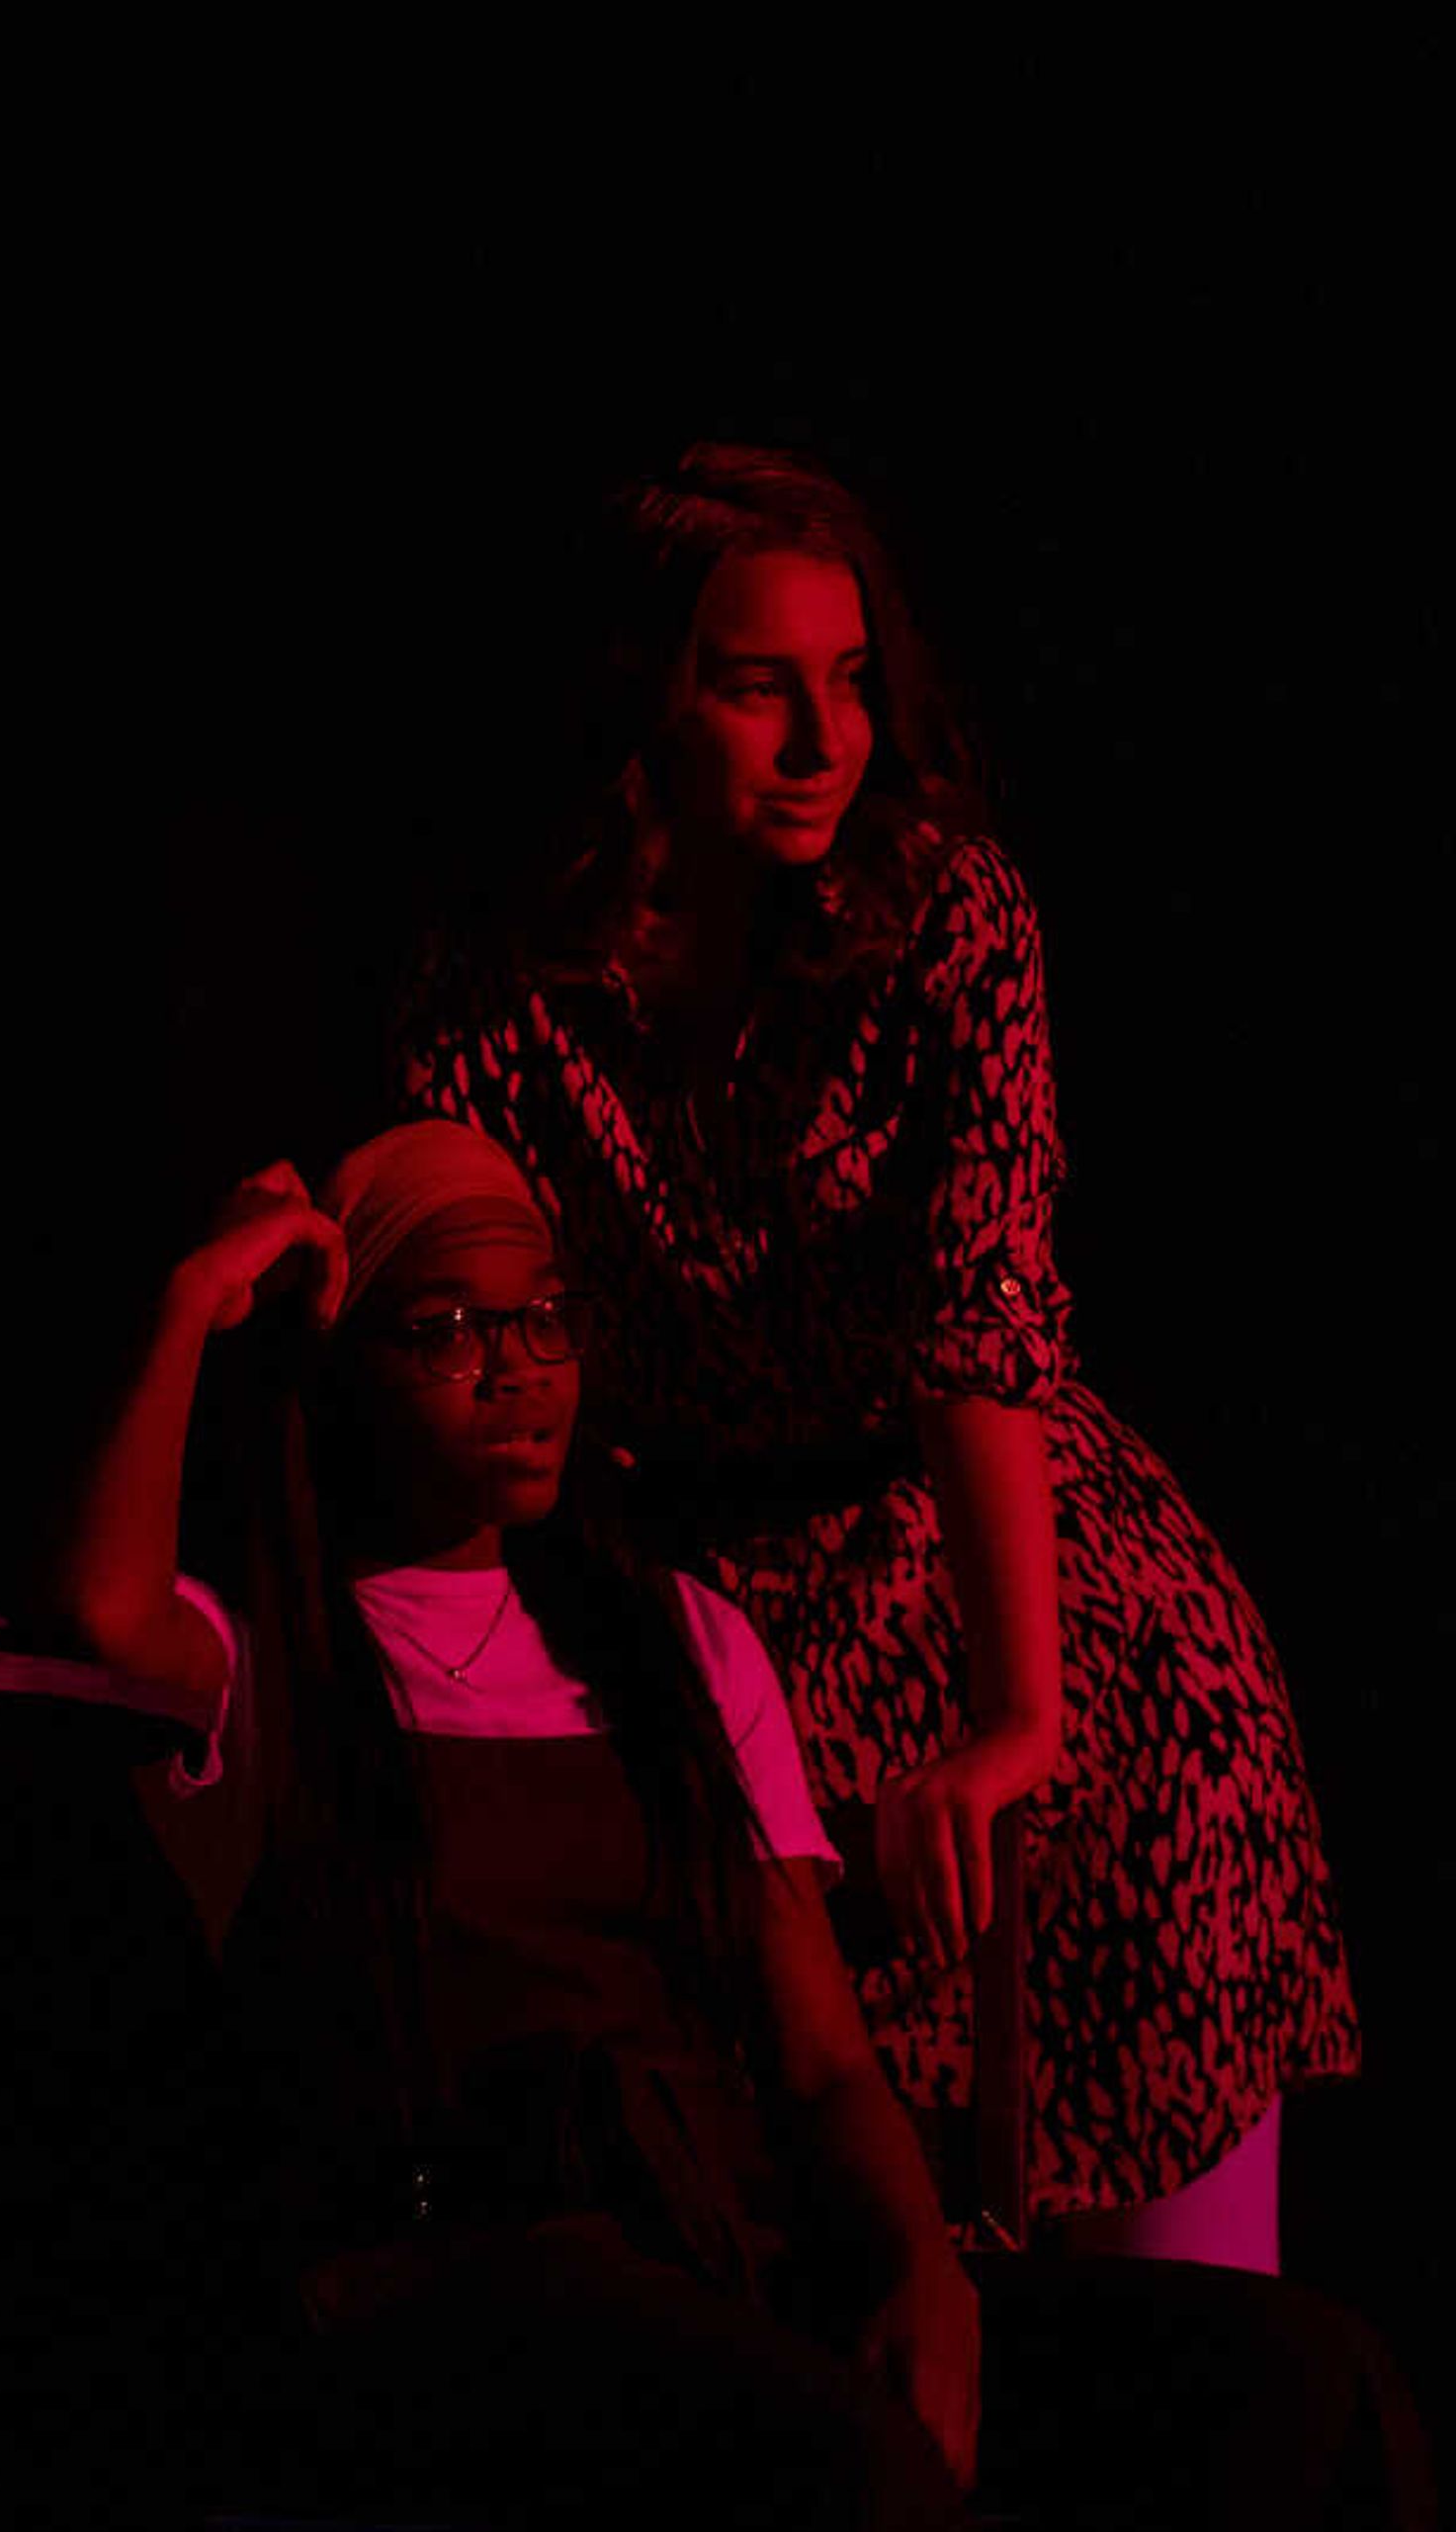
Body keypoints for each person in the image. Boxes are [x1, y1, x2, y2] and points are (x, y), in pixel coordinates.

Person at [56, 1120, 1424, 2528]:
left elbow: (824, 2057)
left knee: (1300, 2385)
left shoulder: (677, 1643)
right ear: (342, 1372)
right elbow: (105, 1608)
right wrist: (193, 1298)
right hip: (466, 2273)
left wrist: (924, 2272)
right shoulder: (278, 1652)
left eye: (544, 1319)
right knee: (837, 2466)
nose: (515, 1366)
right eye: (446, 1326)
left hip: (724, 2246)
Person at [388, 443, 1357, 2265]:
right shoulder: (503, 972)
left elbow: (979, 1335)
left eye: (849, 683)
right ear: (646, 699)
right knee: (837, 2250)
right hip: (711, 1609)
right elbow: (465, 1317)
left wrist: (1015, 1713)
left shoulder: (950, 921)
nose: (826, 741)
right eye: (760, 687)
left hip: (1011, 1579)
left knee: (1172, 2290)